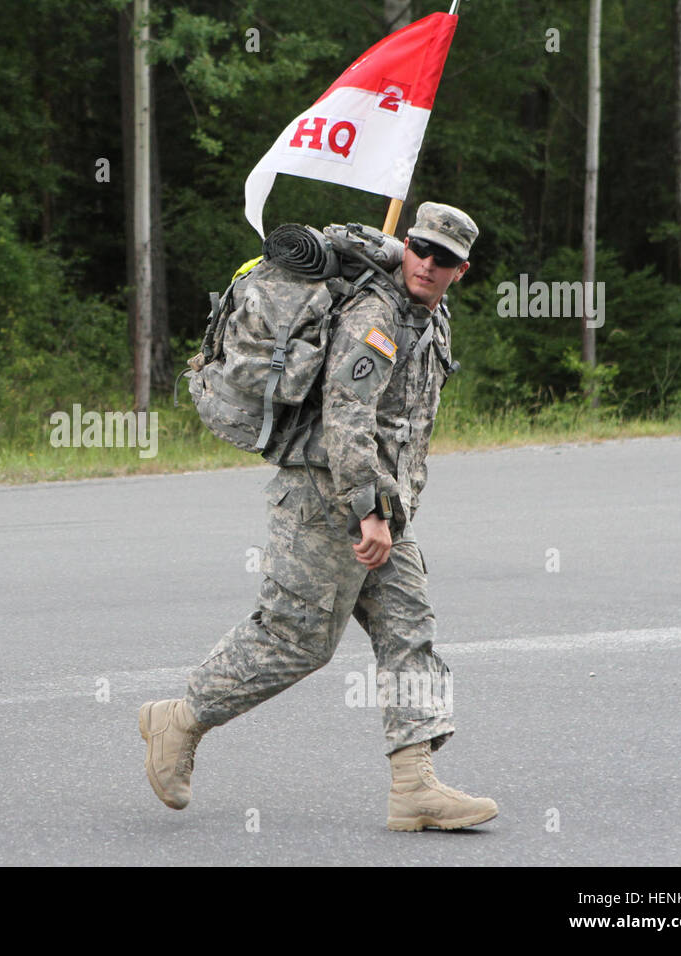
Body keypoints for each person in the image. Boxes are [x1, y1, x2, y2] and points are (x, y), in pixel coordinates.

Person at [139, 202, 498, 831]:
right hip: (324, 499)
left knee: (409, 631)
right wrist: (369, 511)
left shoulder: (432, 321)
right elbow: (346, 414)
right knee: (294, 640)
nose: (427, 264)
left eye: (443, 259)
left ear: (460, 271)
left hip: (383, 507)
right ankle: (180, 717)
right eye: (420, 248)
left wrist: (390, 510)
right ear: (407, 245)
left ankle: (414, 786)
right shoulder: (376, 313)